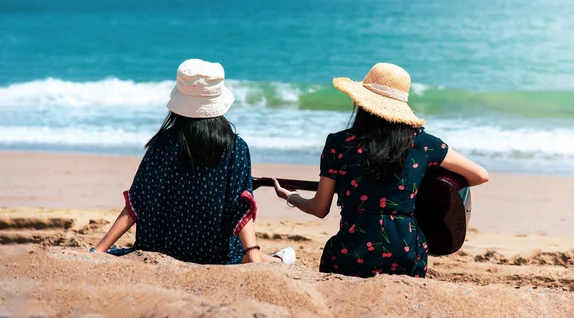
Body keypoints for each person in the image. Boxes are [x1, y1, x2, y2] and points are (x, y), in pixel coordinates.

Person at [272, 63, 488, 278]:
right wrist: (422, 189)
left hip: (351, 254)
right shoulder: (424, 144)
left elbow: (320, 208)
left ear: (362, 103)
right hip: (406, 256)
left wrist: (292, 196)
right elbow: (480, 175)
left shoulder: (338, 143)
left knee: (334, 252)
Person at [92, 59, 295, 265]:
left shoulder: (161, 144)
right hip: (212, 254)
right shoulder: (236, 147)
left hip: (159, 248)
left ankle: (270, 258)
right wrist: (253, 256)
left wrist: (100, 250)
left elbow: (137, 203)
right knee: (244, 254)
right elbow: (240, 208)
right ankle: (275, 260)